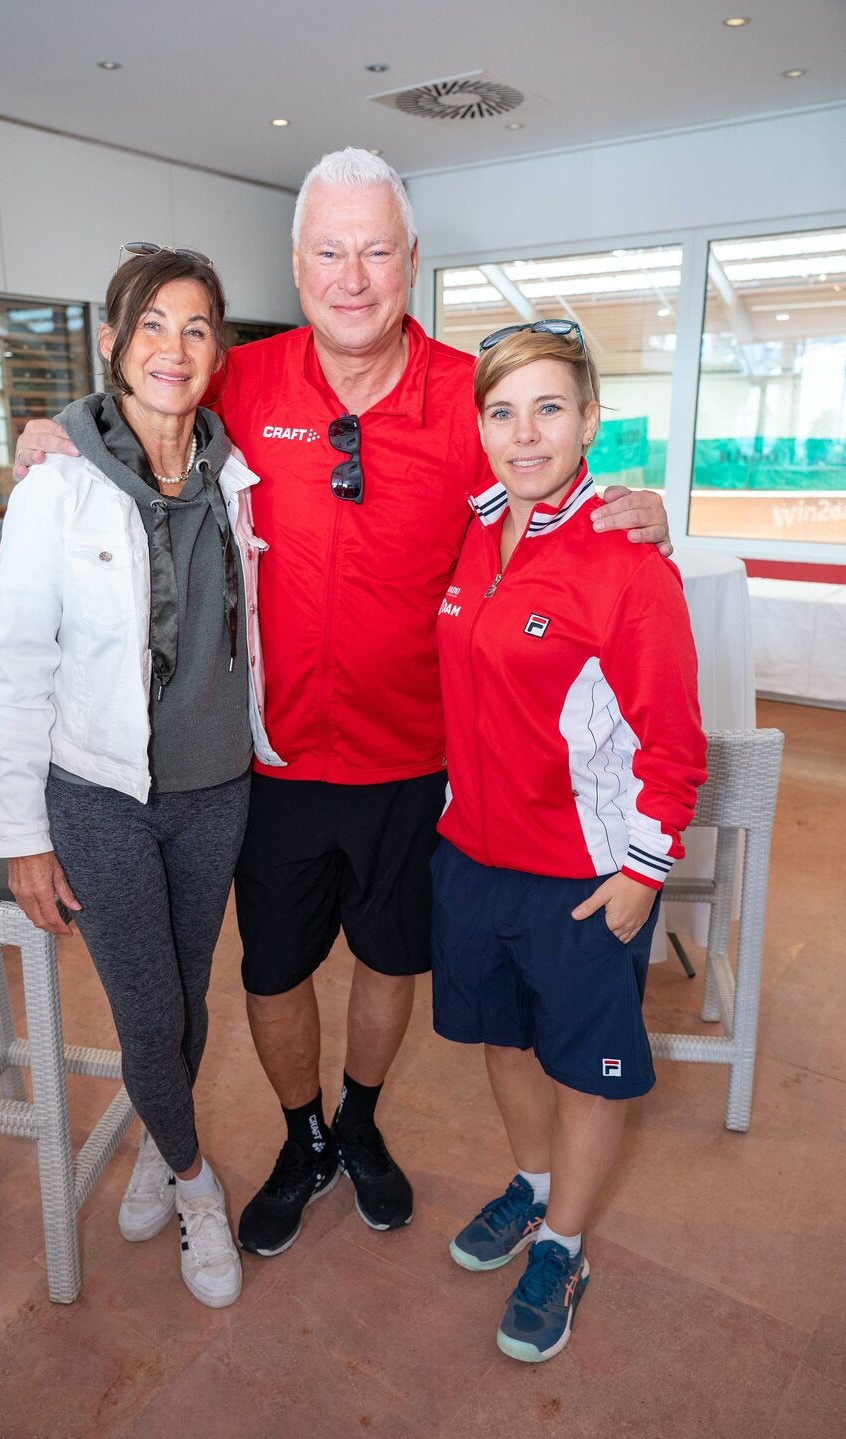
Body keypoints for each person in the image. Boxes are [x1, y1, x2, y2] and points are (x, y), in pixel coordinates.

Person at [13, 150, 672, 1260]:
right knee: (270, 970)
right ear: (298, 261)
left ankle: (362, 1123)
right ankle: (302, 1132)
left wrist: (630, 497)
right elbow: (146, 398)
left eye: (376, 250)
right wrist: (60, 429)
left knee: (389, 960)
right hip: (263, 765)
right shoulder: (246, 379)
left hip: (415, 761)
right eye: (330, 250)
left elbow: (544, 466)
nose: (353, 275)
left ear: (412, 261)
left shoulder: (466, 398)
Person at [0, 244, 282, 1306]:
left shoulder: (238, 478)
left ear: (218, 352)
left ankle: (161, 1139)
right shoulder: (55, 483)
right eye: (151, 323)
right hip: (100, 794)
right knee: (149, 1011)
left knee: (187, 994)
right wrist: (22, 830)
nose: (174, 346)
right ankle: (199, 1181)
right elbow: (17, 665)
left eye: (197, 327)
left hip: (217, 789)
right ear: (113, 342)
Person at [432, 322, 706, 1362]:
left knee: (586, 1071)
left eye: (549, 407)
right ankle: (534, 1188)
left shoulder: (628, 561)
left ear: (591, 420)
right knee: (505, 1042)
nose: (525, 431)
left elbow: (674, 740)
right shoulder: (475, 529)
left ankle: (567, 1242)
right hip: (471, 857)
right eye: (502, 410)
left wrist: (644, 870)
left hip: (583, 879)